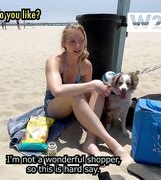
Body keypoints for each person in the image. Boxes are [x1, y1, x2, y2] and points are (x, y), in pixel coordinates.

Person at [44, 23, 132, 162]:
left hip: (75, 106)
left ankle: (90, 141)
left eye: (81, 40)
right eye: (72, 41)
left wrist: (101, 89)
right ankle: (112, 143)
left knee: (99, 90)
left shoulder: (86, 65)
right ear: (64, 44)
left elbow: (88, 95)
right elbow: (57, 91)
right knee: (81, 90)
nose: (78, 45)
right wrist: (91, 85)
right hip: (54, 106)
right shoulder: (55, 61)